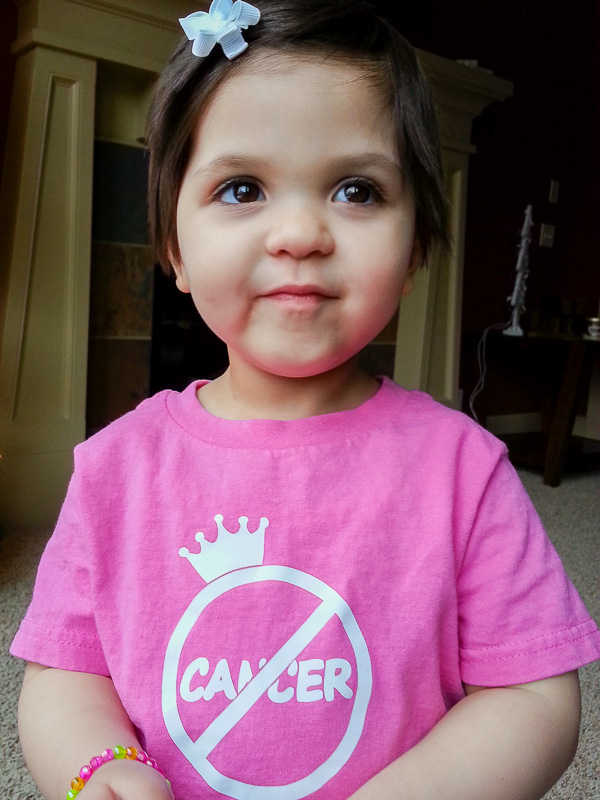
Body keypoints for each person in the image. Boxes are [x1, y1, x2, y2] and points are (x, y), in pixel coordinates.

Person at [11, 1, 600, 798]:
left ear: (417, 241)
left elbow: (534, 694)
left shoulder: (462, 469)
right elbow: (64, 674)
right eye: (242, 187)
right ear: (174, 248)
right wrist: (102, 769)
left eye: (356, 191)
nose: (299, 233)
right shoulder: (116, 466)